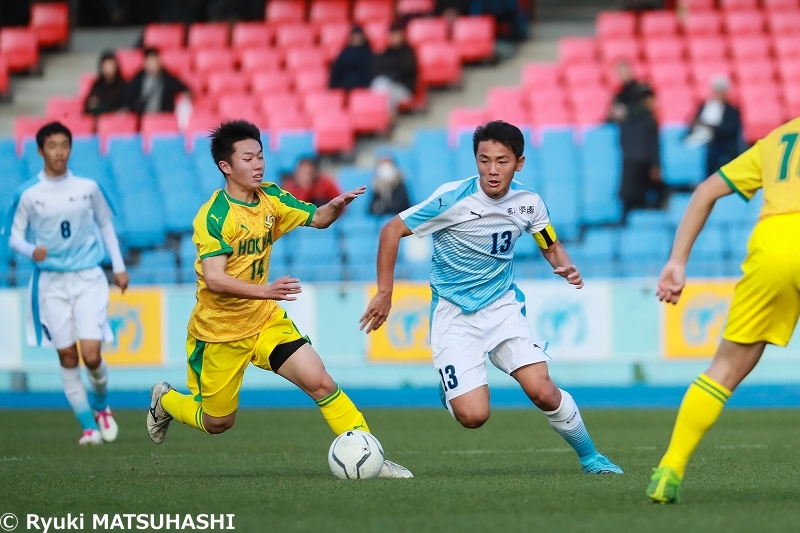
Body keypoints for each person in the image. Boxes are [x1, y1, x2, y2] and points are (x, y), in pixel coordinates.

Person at [145, 120, 412, 479]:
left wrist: (335, 206)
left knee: (321, 382)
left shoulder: (271, 198)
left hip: (265, 320)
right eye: (247, 158)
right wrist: (265, 290)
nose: (258, 164)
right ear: (226, 166)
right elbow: (215, 278)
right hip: (220, 330)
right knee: (217, 422)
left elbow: (317, 219)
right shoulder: (214, 216)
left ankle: (371, 459)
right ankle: (165, 400)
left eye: (260, 156)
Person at [360, 121, 623, 475]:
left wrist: (566, 266)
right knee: (473, 416)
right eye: (484, 160)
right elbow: (391, 230)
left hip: (501, 308)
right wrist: (385, 293)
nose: (492, 170)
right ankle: (450, 390)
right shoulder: (452, 199)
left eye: (502, 161)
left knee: (543, 391)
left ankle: (592, 457)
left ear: (520, 163)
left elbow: (550, 244)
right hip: (455, 314)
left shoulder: (529, 204)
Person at [646, 117, 800, 503]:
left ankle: (670, 468)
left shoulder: (780, 138)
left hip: (775, 243)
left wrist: (677, 262)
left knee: (725, 368)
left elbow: (706, 191)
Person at [4, 122, 129, 445]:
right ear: (40, 150)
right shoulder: (29, 194)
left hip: (88, 277)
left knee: (90, 355)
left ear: (70, 148)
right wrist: (32, 249)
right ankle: (88, 427)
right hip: (51, 283)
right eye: (52, 146)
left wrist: (118, 267)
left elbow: (105, 224)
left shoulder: (88, 187)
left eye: (64, 145)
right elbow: (13, 236)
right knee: (68, 357)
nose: (59, 151)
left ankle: (101, 407)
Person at [609, 62, 663, 219]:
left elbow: (647, 107)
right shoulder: (619, 94)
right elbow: (610, 114)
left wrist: (626, 112)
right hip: (631, 148)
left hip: (643, 149)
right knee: (631, 192)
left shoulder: (641, 89)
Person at [687, 75, 743, 178]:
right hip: (704, 145)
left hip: (722, 148)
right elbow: (693, 122)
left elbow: (729, 129)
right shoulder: (703, 107)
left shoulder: (732, 111)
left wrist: (711, 128)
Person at [124, 47, 190, 114]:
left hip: (162, 116)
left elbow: (185, 89)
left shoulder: (168, 79)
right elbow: (128, 99)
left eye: (154, 60)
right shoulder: (137, 80)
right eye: (148, 61)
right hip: (141, 115)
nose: (151, 64)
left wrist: (186, 94)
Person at [371, 22, 417, 113]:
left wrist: (390, 68)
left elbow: (407, 68)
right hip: (387, 86)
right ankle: (383, 117)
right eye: (392, 35)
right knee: (379, 84)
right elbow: (376, 69)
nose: (394, 38)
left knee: (382, 86)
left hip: (404, 90)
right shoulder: (385, 52)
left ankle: (386, 118)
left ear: (402, 36)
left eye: (397, 35)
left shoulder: (408, 52)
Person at [329, 26, 373, 91]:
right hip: (343, 86)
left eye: (359, 37)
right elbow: (336, 72)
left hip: (363, 87)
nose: (357, 39)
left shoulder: (368, 54)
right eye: (354, 37)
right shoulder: (343, 54)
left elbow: (370, 72)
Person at [84, 51, 126, 115]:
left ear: (116, 66)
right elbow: (89, 104)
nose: (108, 69)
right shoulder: (97, 85)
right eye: (105, 65)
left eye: (110, 65)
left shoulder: (123, 86)